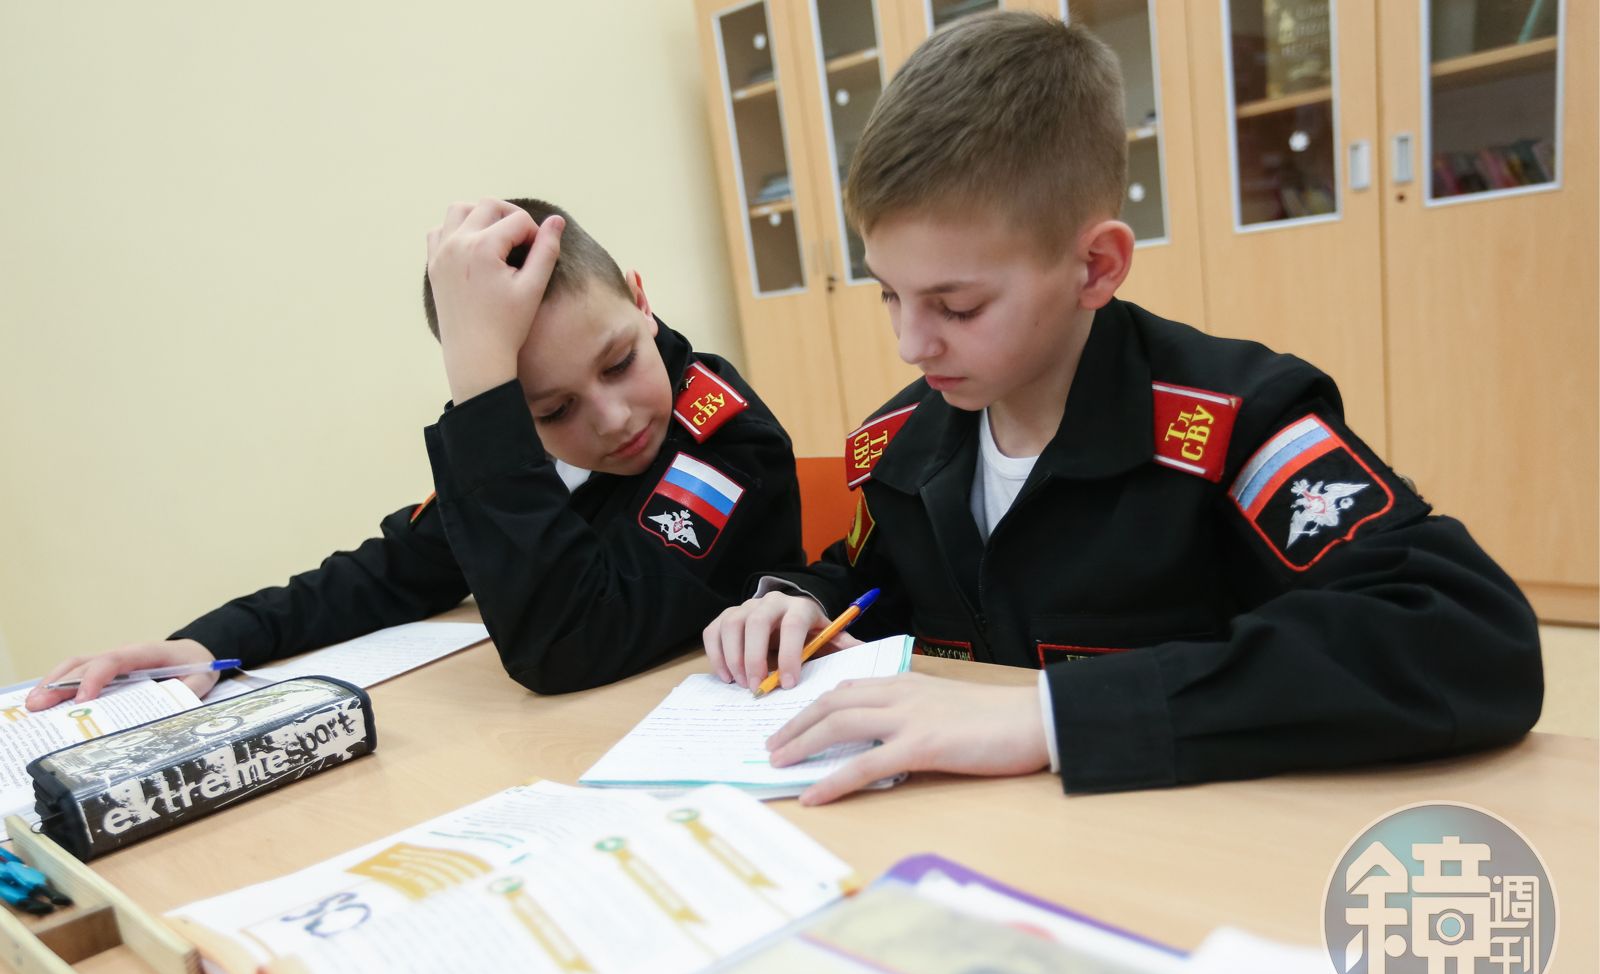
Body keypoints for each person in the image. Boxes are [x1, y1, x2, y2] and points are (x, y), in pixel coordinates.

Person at [702, 14, 1542, 805]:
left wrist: (1051, 718)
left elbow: (1465, 637)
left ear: (1097, 266)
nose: (910, 345)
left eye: (956, 307)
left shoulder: (1234, 423)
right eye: (889, 294)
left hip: (1175, 837)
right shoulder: (904, 445)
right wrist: (800, 601)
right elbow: (878, 584)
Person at [28, 198, 802, 709]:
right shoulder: (537, 450)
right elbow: (391, 572)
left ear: (641, 301)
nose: (611, 418)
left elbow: (571, 644)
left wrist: (487, 389)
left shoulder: (728, 443)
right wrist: (209, 644)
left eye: (620, 361)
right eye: (553, 410)